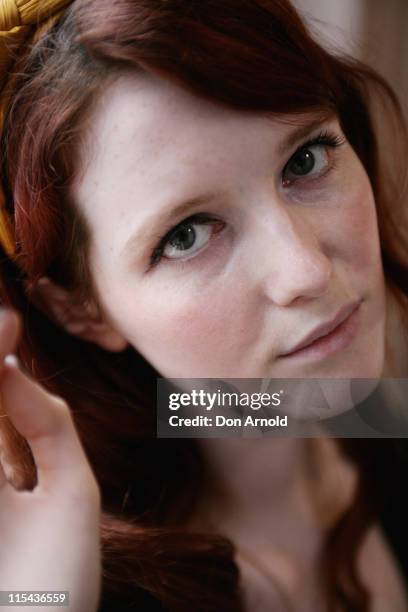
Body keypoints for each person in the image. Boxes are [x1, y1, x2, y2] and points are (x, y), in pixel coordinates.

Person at [0, 0, 407, 610]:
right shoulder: (68, 581)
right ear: (80, 310)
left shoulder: (387, 444)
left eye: (306, 159)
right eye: (187, 234)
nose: (306, 271)